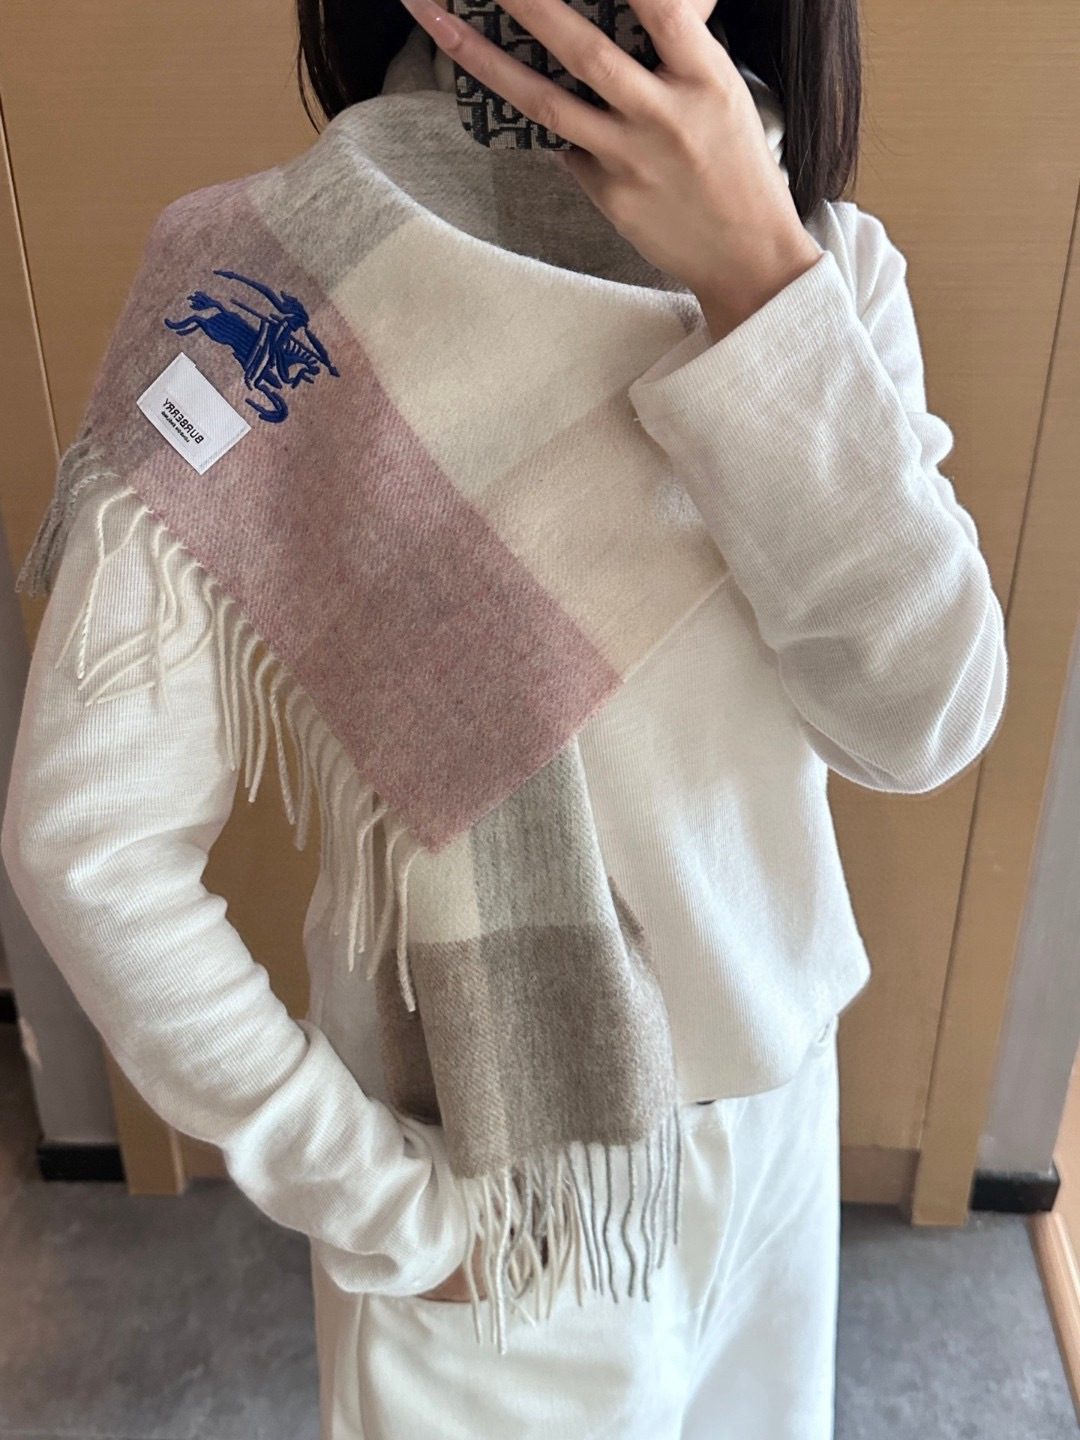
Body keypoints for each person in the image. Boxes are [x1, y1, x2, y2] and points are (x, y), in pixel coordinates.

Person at [1, 0, 1009, 1436]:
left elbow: (923, 723)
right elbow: (87, 848)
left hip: (775, 1119)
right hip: (495, 1171)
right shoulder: (265, 290)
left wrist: (758, 285)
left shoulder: (823, 265)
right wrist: (395, 1213)